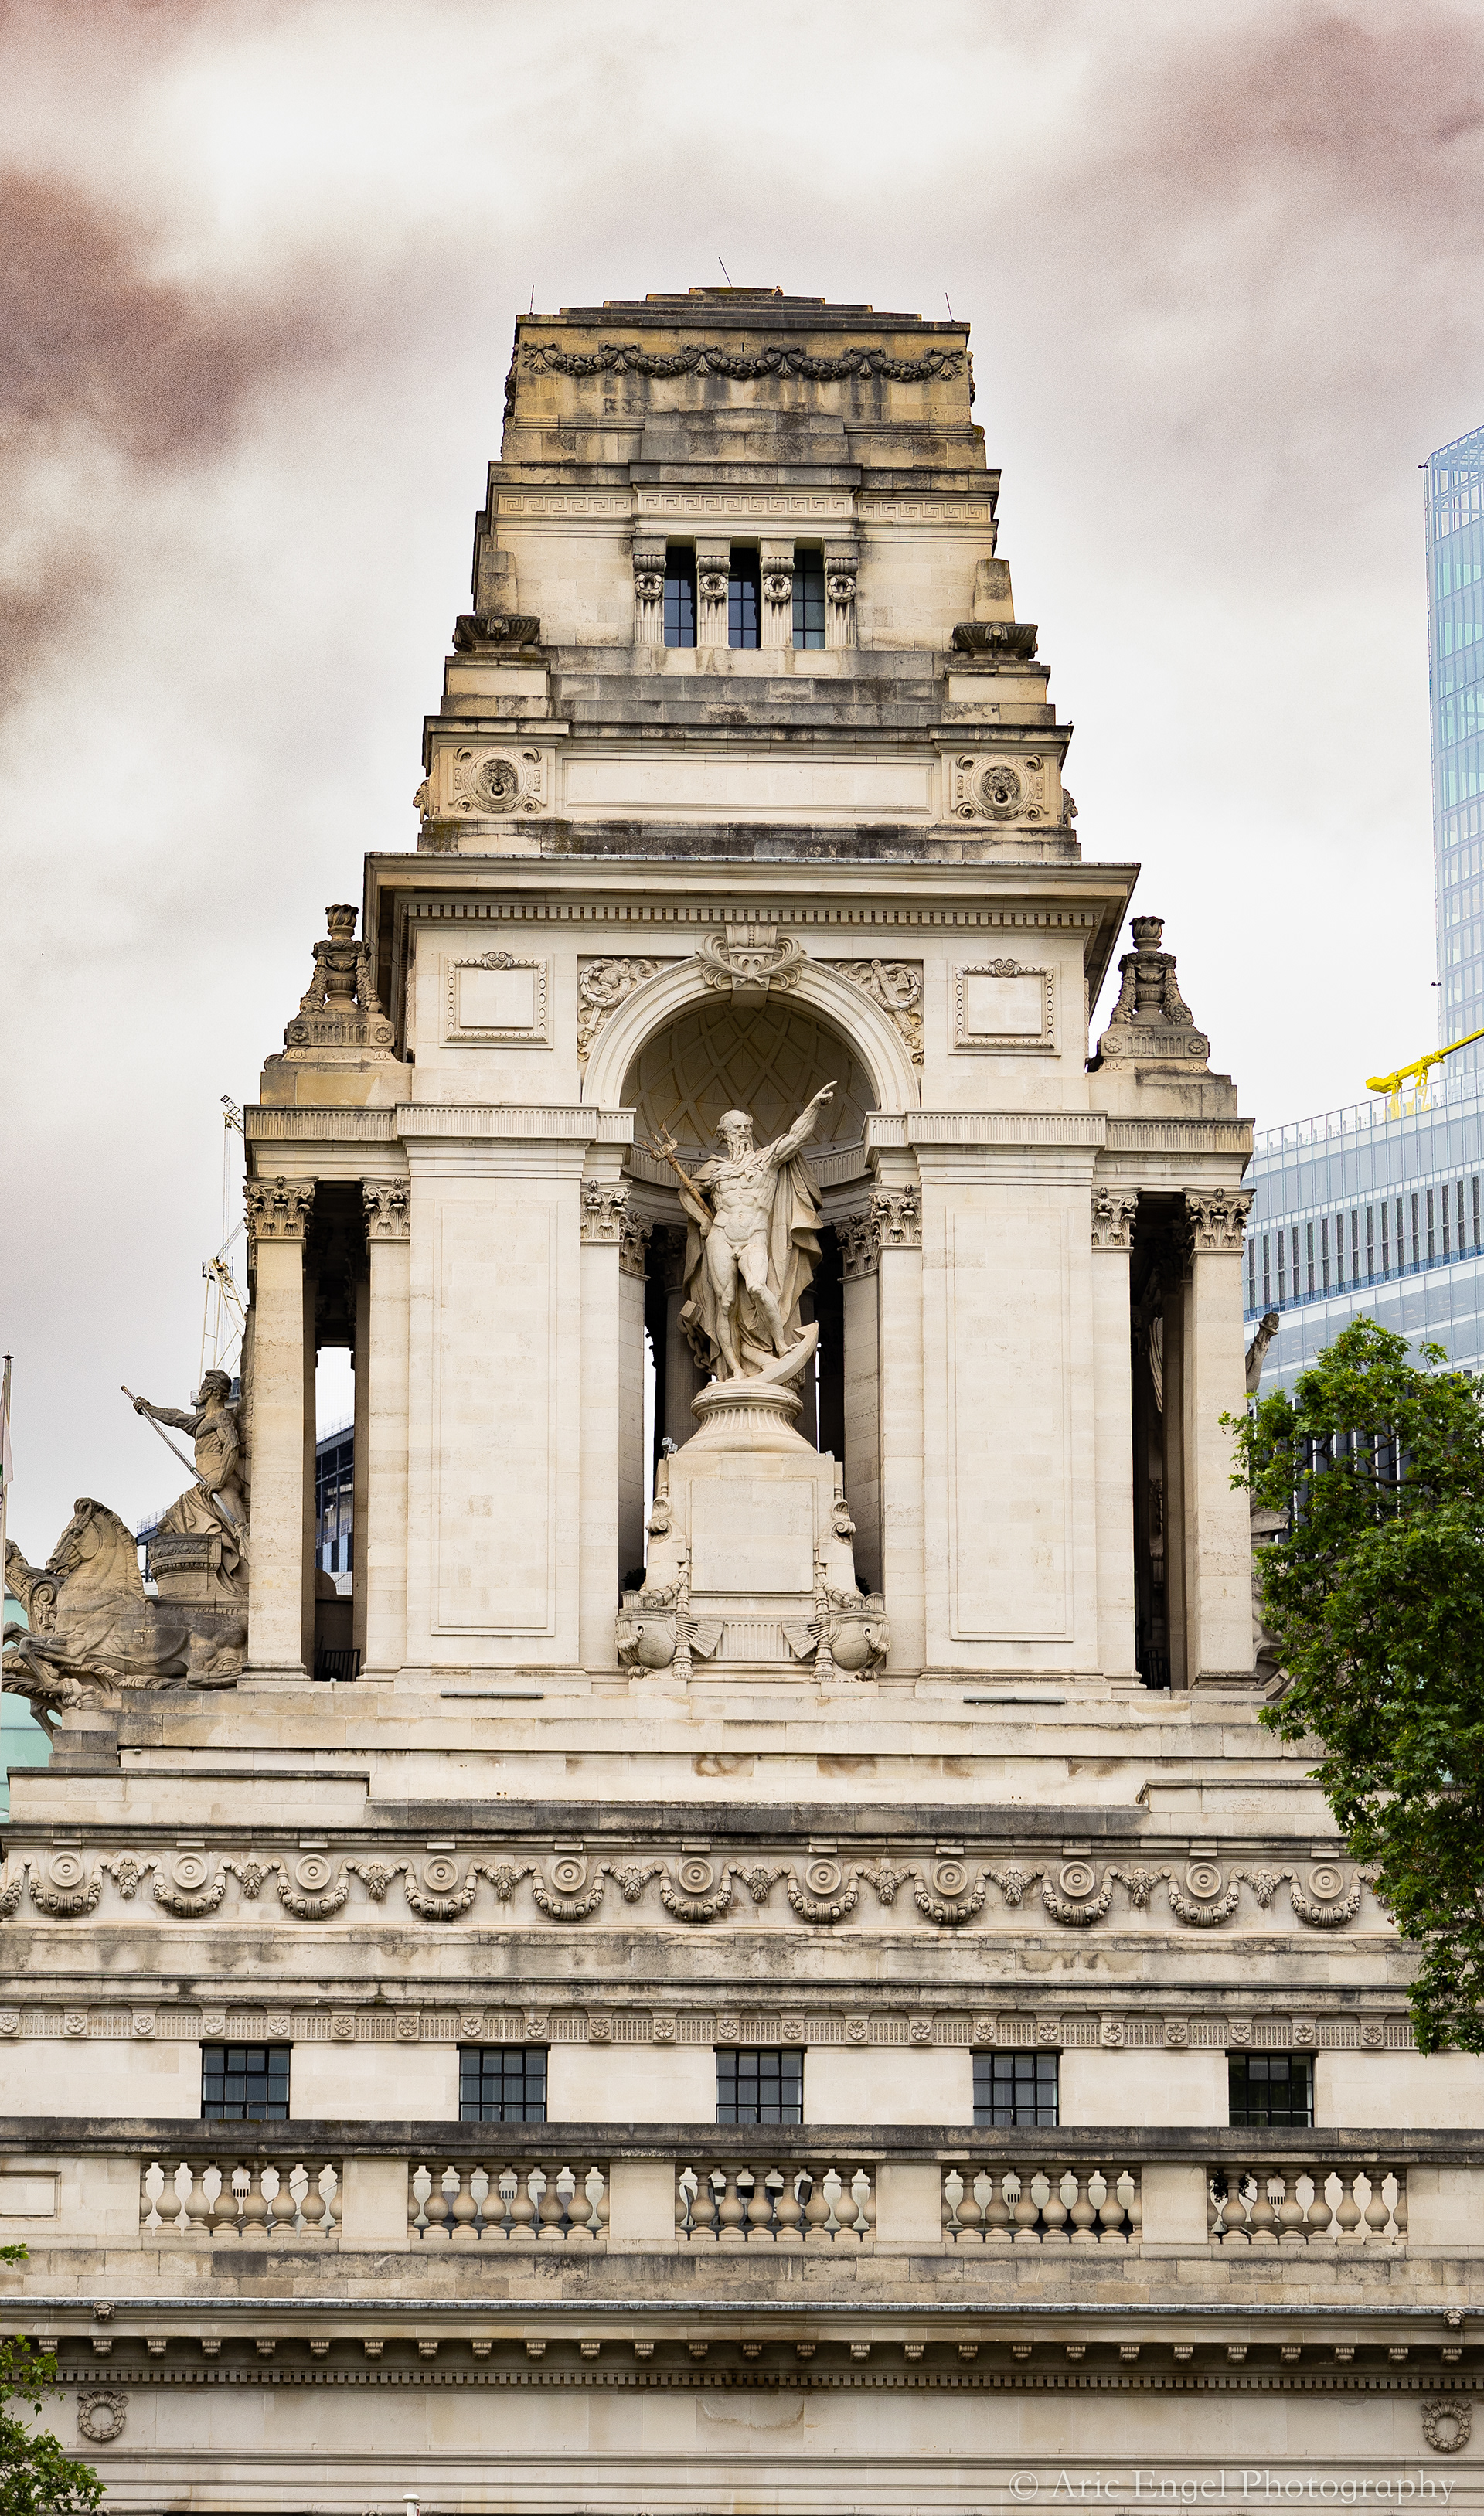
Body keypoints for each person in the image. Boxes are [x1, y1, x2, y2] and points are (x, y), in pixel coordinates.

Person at [675, 1085, 834, 1379]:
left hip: (754, 1235)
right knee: (725, 1304)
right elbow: (687, 1194)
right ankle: (735, 1369)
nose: (744, 1132)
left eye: (747, 1126)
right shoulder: (715, 1168)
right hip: (721, 1236)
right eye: (736, 1127)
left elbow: (796, 1137)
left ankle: (781, 1345)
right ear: (724, 1134)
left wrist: (814, 1107)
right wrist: (703, 1221)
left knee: (758, 1287)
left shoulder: (766, 1159)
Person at [134, 1370, 248, 1579]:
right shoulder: (202, 1421)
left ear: (212, 1391)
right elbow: (175, 1418)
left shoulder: (223, 1417)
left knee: (241, 1533)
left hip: (221, 1485)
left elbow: (232, 1445)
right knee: (167, 1525)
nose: (200, 1391)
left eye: (203, 1387)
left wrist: (220, 1480)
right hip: (203, 1487)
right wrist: (150, 1409)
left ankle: (241, 1581)